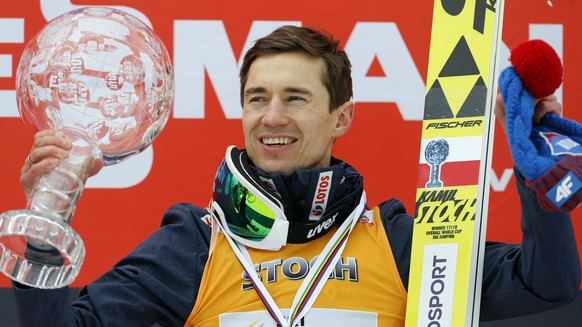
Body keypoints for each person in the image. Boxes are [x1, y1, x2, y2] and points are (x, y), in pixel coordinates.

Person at [11, 25, 580, 326]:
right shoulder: (194, 244)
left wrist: (540, 188)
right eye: (257, 98)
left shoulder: (400, 242)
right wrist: (45, 225)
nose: (272, 117)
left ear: (342, 116)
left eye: (296, 98)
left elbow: (545, 284)